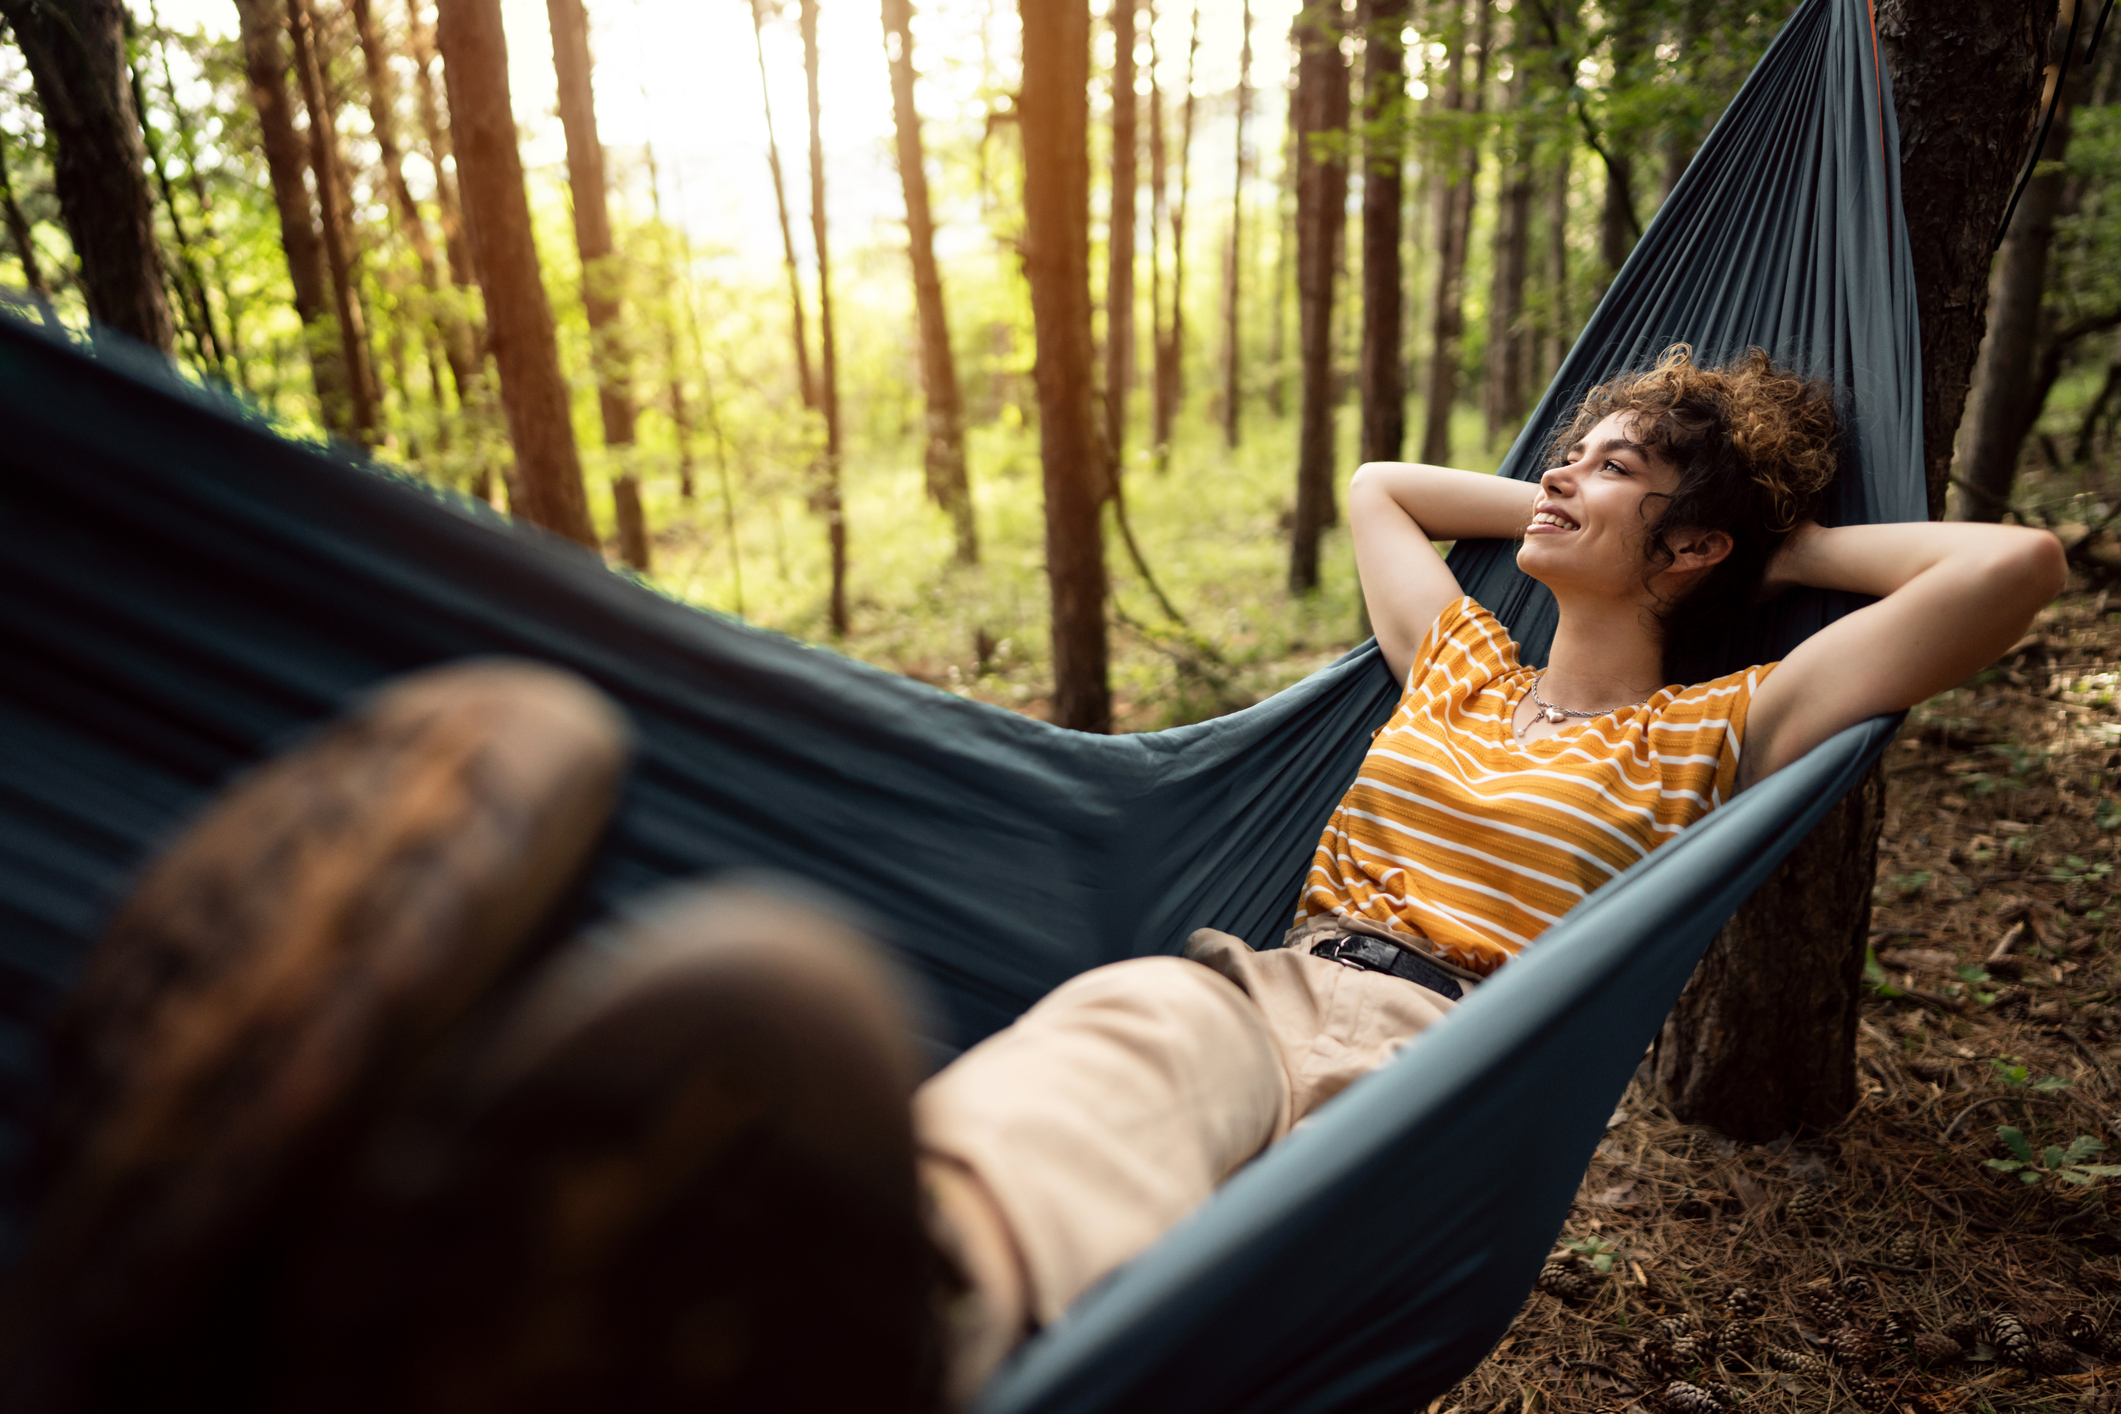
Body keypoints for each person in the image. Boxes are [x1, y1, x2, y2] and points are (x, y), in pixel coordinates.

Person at [5, 349, 2065, 1414]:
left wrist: (1760, 528)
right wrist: (1630, 485)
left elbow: (2005, 572)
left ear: (1696, 547)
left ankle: (785, 1310)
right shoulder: (1449, 651)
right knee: (1125, 1035)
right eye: (1575, 446)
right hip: (1277, 991)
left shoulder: (1706, 733)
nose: (1556, 472)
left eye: (1609, 465)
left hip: (1445, 1068)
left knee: (1158, 1129)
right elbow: (1378, 490)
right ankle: (675, 1296)